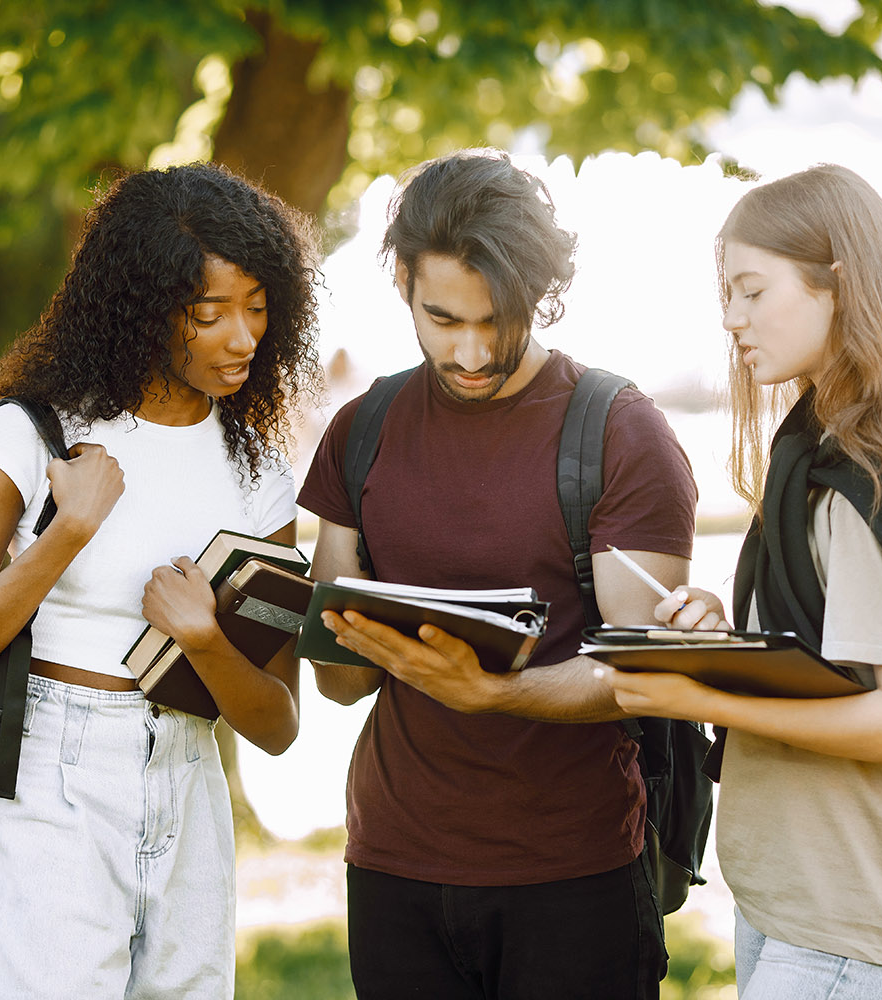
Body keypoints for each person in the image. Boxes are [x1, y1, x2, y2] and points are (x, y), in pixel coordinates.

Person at [597, 163, 882, 999]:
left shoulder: (873, 478)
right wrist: (728, 638)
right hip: (803, 897)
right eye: (727, 295)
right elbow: (838, 658)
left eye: (752, 291)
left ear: (838, 283)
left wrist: (697, 697)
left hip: (851, 918)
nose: (731, 318)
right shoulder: (828, 448)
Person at [0, 164, 323, 998]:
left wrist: (203, 639)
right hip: (56, 777)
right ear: (145, 306)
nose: (243, 337)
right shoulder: (36, 433)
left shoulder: (258, 474)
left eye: (258, 306)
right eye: (210, 313)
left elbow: (278, 724)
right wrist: (67, 534)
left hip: (191, 777)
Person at [298, 149, 699, 999]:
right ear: (403, 281)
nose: (473, 352)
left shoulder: (620, 432)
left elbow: (646, 672)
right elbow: (339, 684)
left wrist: (494, 693)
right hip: (394, 865)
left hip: (573, 872)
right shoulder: (359, 430)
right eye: (443, 319)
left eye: (498, 320)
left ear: (539, 293)